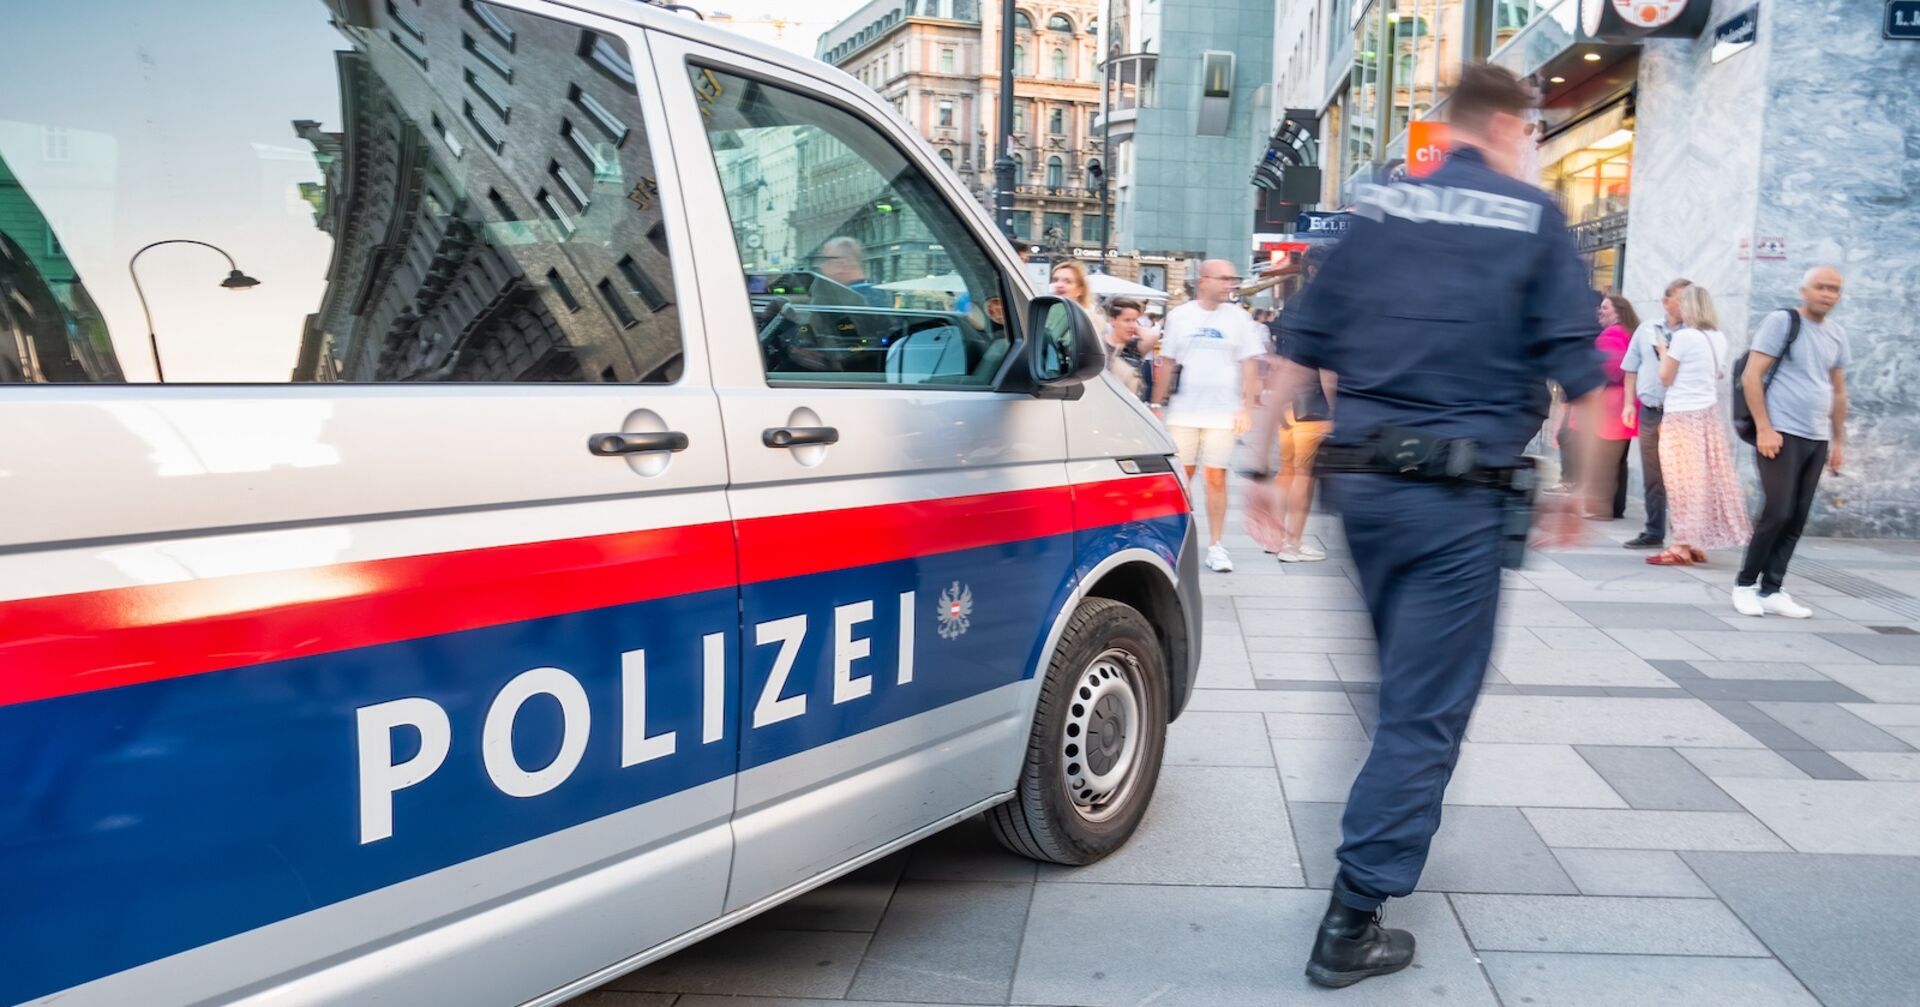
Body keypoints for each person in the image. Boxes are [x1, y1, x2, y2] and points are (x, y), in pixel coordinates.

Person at [1245, 64, 1602, 988]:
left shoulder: (1381, 210)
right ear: (1511, 128)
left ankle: (1376, 817)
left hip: (1362, 491)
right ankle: (1352, 917)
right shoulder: (1534, 219)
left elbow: (1297, 348)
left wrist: (1255, 466)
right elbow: (1587, 379)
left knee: (1396, 678)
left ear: (1446, 130)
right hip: (1460, 498)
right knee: (1424, 709)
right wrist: (1584, 490)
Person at [1734, 265, 1850, 617]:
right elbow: (1752, 375)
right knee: (1777, 510)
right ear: (1804, 290)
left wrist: (1839, 441)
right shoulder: (1782, 322)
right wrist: (1766, 428)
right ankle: (1744, 584)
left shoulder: (1837, 334)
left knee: (1797, 516)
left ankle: (1773, 588)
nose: (1828, 294)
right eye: (1821, 287)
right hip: (1781, 433)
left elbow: (1839, 391)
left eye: (1835, 289)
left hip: (1816, 437)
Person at [1151, 259, 1266, 573]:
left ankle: (1216, 545)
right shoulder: (1180, 316)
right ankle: (1174, 542)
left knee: (1216, 478)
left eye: (1233, 278)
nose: (1230, 284)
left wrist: (1246, 405)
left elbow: (1250, 364)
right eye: (1224, 278)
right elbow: (1168, 362)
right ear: (1204, 280)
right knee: (1181, 479)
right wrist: (1156, 405)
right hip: (1183, 411)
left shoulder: (1240, 318)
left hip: (1222, 411)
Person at [1647, 285, 1751, 567]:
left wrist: (1663, 351)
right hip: (1707, 414)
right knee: (1702, 482)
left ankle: (1680, 546)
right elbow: (1716, 373)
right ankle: (1695, 541)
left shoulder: (1684, 337)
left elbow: (1666, 378)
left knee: (1681, 482)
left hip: (1682, 415)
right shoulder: (1718, 337)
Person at [1618, 278, 1691, 549]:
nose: (1686, 305)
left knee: (1681, 477)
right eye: (1681, 299)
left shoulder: (1693, 334)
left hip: (1680, 414)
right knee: (1653, 475)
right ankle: (1653, 530)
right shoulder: (1647, 330)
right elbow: (1631, 368)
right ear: (1666, 301)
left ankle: (1683, 536)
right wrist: (1628, 404)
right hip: (1650, 411)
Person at [1585, 294, 1640, 520]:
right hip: (1628, 402)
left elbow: (1612, 371)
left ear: (1618, 311)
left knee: (1604, 458)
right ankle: (1616, 507)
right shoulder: (1630, 333)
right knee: (1619, 459)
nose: (1600, 311)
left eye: (1605, 307)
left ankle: (1601, 508)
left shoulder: (1611, 334)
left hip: (1611, 405)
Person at [1102, 297, 1157, 399]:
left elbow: (1153, 335)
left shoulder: (1134, 347)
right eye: (1127, 320)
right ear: (1113, 320)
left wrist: (1134, 327)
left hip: (1131, 406)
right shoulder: (1100, 344)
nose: (1132, 325)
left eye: (1135, 320)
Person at [812, 236, 887, 307]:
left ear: (844, 264)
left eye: (825, 260)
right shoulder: (872, 296)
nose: (821, 266)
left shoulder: (849, 300)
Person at [1050, 259, 1100, 330]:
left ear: (1080, 290)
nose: (1059, 285)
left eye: (1067, 281)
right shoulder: (1046, 312)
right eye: (1055, 280)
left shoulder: (1085, 318)